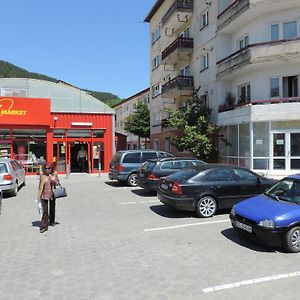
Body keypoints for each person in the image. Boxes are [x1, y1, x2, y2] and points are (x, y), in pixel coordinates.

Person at [37, 163, 59, 233]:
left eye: (49, 168)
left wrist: (54, 180)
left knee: (52, 208)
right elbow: (40, 185)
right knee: (45, 211)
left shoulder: (54, 175)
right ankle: (44, 226)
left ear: (51, 169)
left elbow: (58, 183)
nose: (47, 170)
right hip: (44, 195)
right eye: (46, 168)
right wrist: (38, 195)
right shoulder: (42, 176)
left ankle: (52, 222)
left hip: (52, 194)